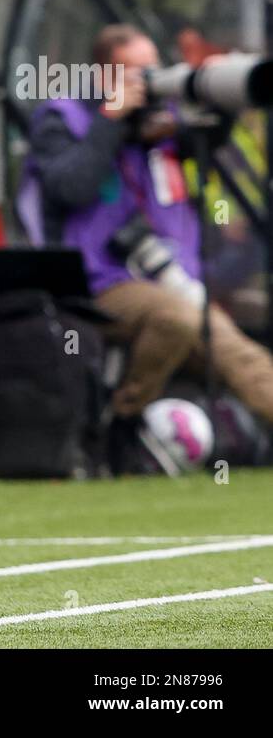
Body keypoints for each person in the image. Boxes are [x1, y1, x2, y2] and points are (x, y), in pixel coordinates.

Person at [25, 23, 273, 457]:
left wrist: (220, 97)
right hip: (95, 283)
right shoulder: (62, 119)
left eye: (152, 70)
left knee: (237, 352)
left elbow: (208, 140)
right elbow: (70, 188)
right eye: (136, 73)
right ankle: (122, 423)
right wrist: (111, 120)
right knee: (177, 317)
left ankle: (136, 427)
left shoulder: (158, 126)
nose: (148, 82)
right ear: (104, 77)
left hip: (168, 279)